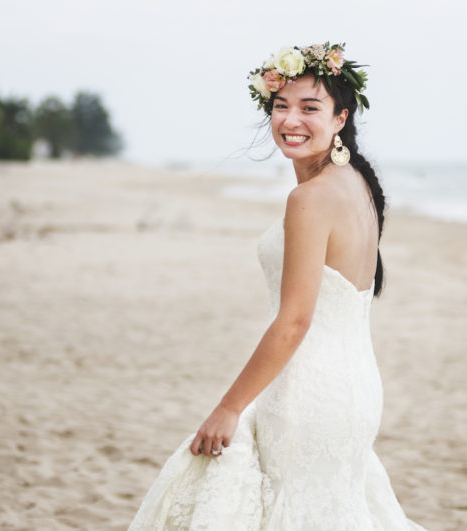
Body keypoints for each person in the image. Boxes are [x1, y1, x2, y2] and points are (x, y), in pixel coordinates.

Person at [129, 42, 427, 530]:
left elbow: (295, 321)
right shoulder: (357, 184)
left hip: (307, 392)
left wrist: (228, 408)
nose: (291, 119)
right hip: (354, 391)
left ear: (340, 119)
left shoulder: (309, 198)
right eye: (281, 106)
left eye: (311, 108)